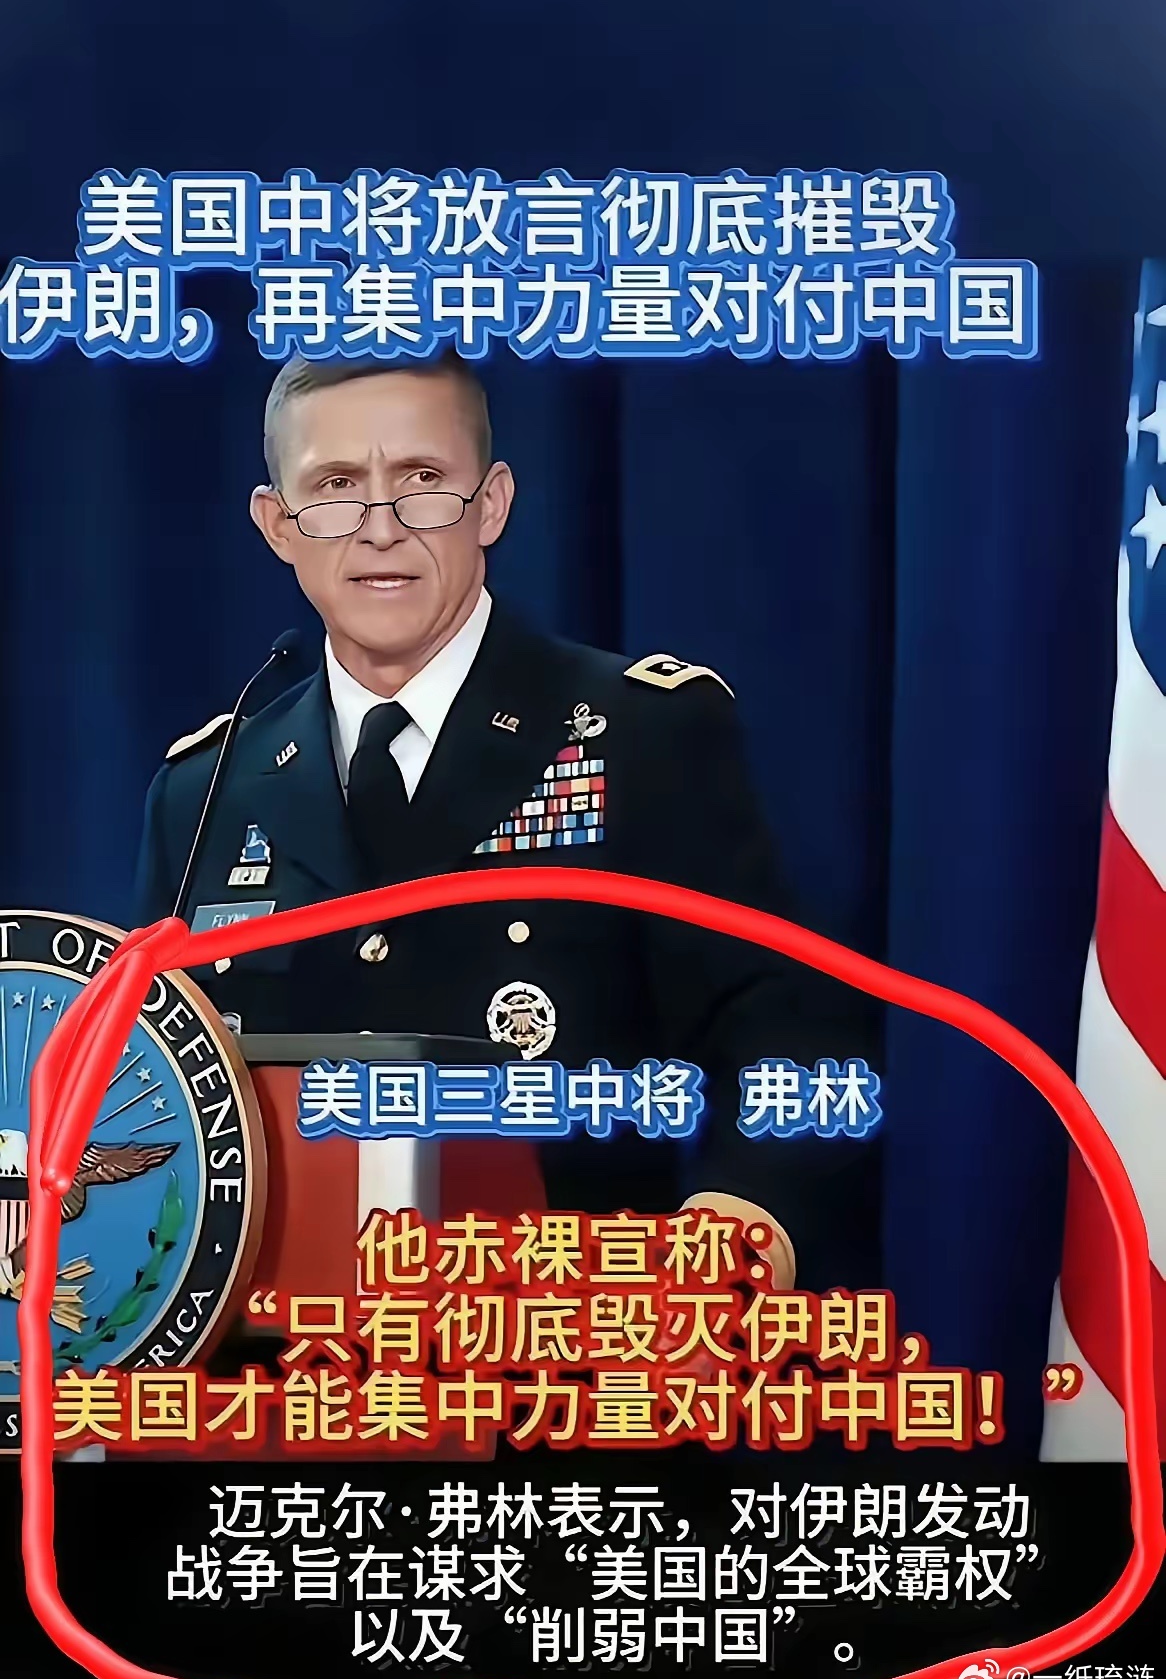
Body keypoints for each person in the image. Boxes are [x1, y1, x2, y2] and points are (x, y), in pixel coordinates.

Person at [134, 352, 878, 1293]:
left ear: (490, 505)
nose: (380, 528)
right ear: (279, 524)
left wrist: (736, 1235)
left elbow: (790, 1038)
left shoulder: (637, 733)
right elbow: (152, 1087)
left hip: (559, 1342)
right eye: (335, 487)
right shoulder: (205, 789)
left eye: (421, 481)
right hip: (277, 1355)